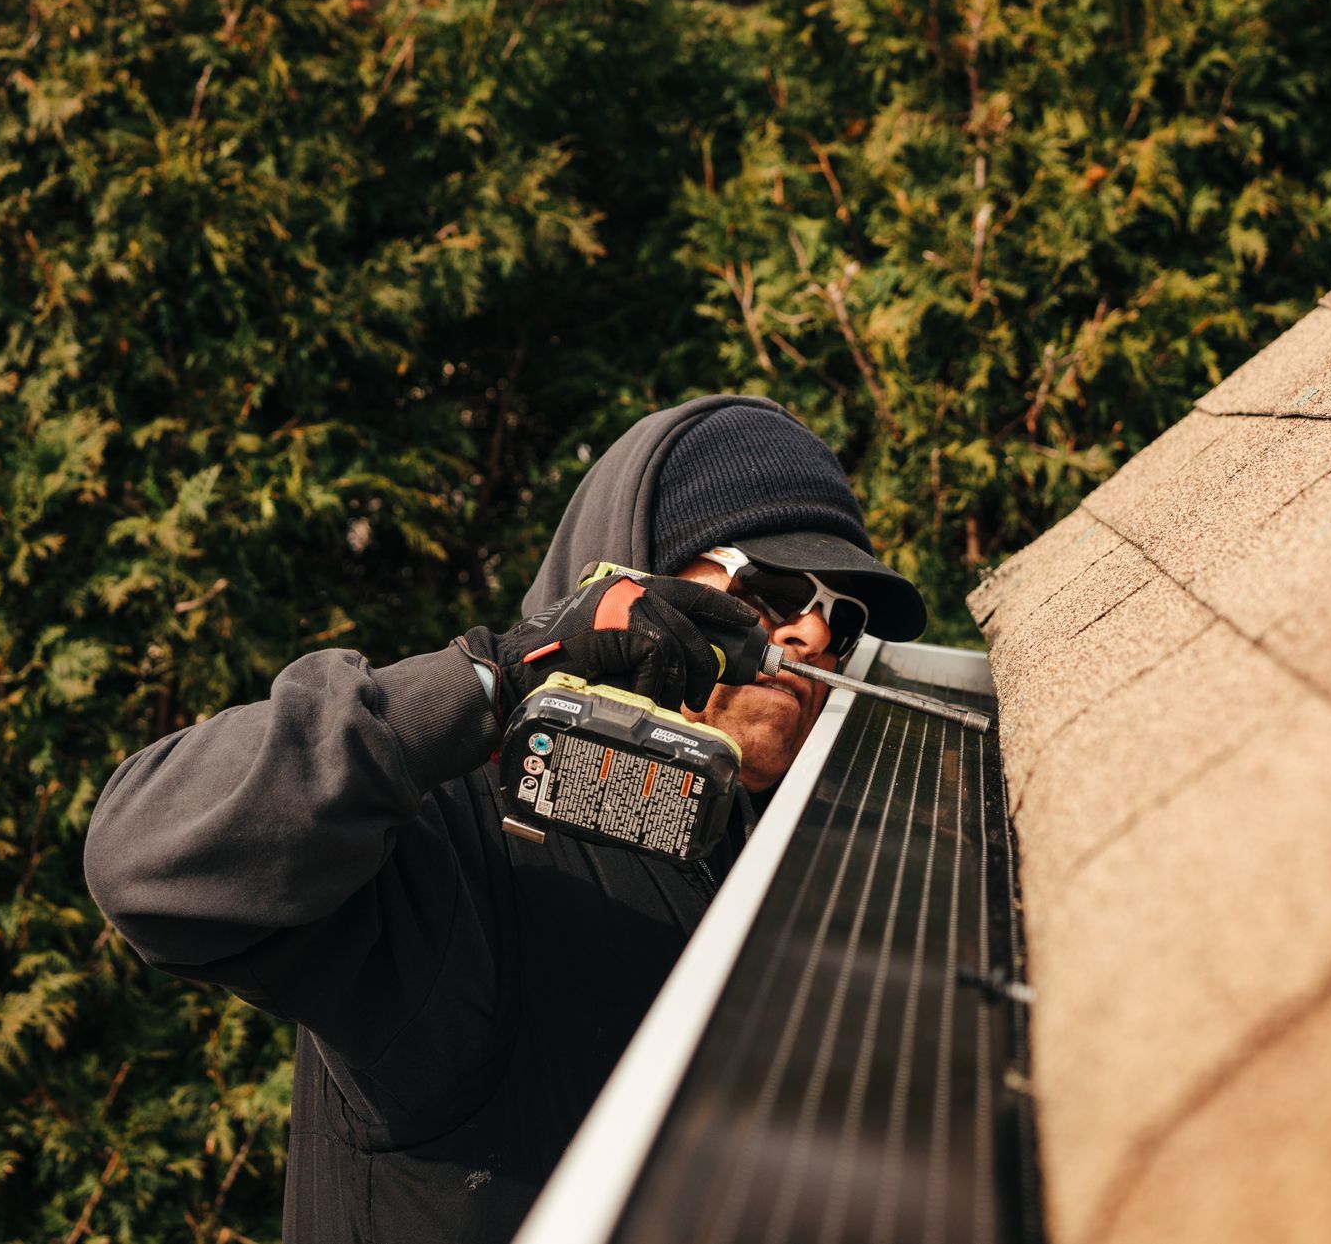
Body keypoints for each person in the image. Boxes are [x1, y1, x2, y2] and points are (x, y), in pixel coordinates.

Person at [83, 395, 927, 1243]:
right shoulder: (443, 838)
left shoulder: (806, 858)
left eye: (840, 613)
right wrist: (498, 674)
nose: (812, 630)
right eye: (775, 588)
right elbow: (139, 857)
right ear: (630, 581)